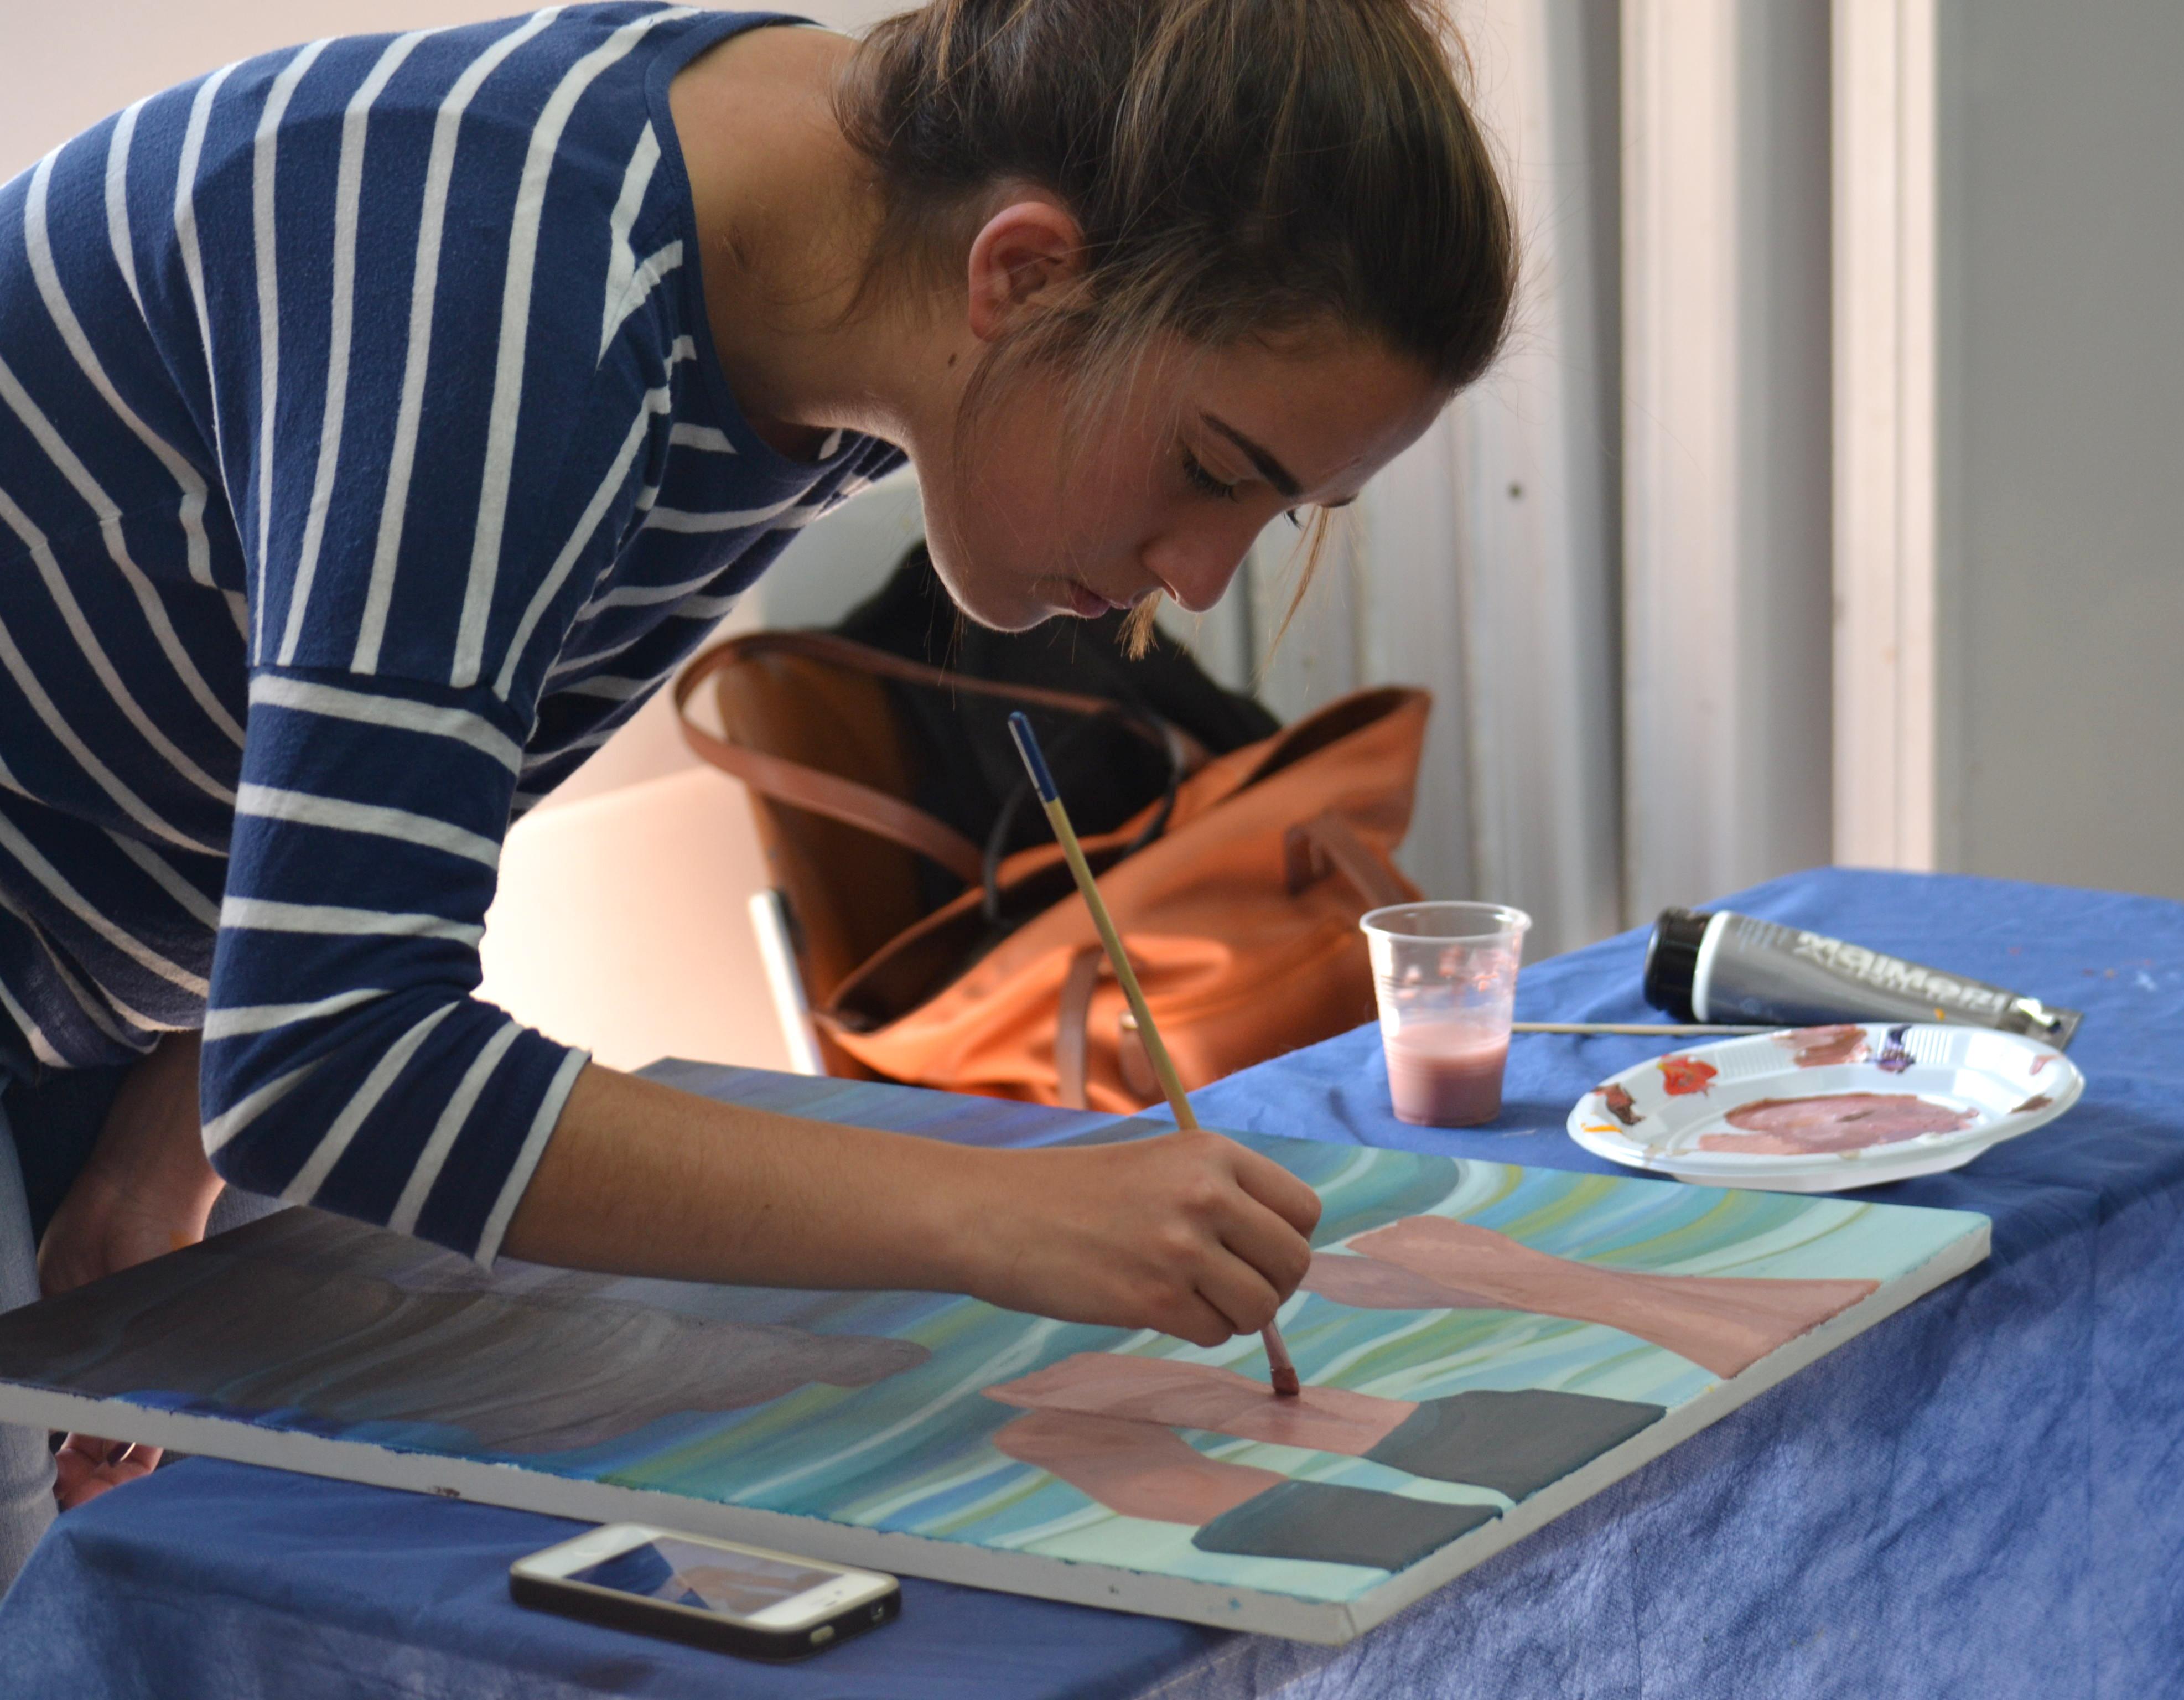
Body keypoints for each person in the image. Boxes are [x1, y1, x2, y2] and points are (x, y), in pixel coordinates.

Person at [0, 0, 1515, 1580]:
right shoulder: (516, 291)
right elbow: (338, 1060)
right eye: (1211, 466)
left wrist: (171, 1121)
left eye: (1282, 513)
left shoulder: (837, 299)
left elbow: (369, 791)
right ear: (1022, 276)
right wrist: (998, 1212)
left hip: (115, 990)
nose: (1198, 580)